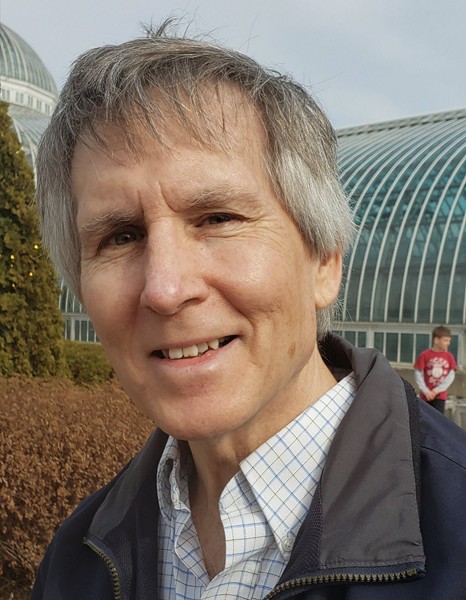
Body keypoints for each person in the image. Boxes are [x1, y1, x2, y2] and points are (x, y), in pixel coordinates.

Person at [31, 21, 466, 600]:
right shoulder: (76, 558)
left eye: (217, 218)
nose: (165, 289)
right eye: (121, 236)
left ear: (324, 260)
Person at [414, 325, 458, 414]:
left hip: (440, 396)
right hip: (425, 396)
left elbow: (451, 375)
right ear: (436, 340)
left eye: (449, 341)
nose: (448, 343)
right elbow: (418, 373)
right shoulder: (425, 355)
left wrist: (437, 390)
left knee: (438, 418)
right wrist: (426, 391)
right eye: (445, 340)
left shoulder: (449, 356)